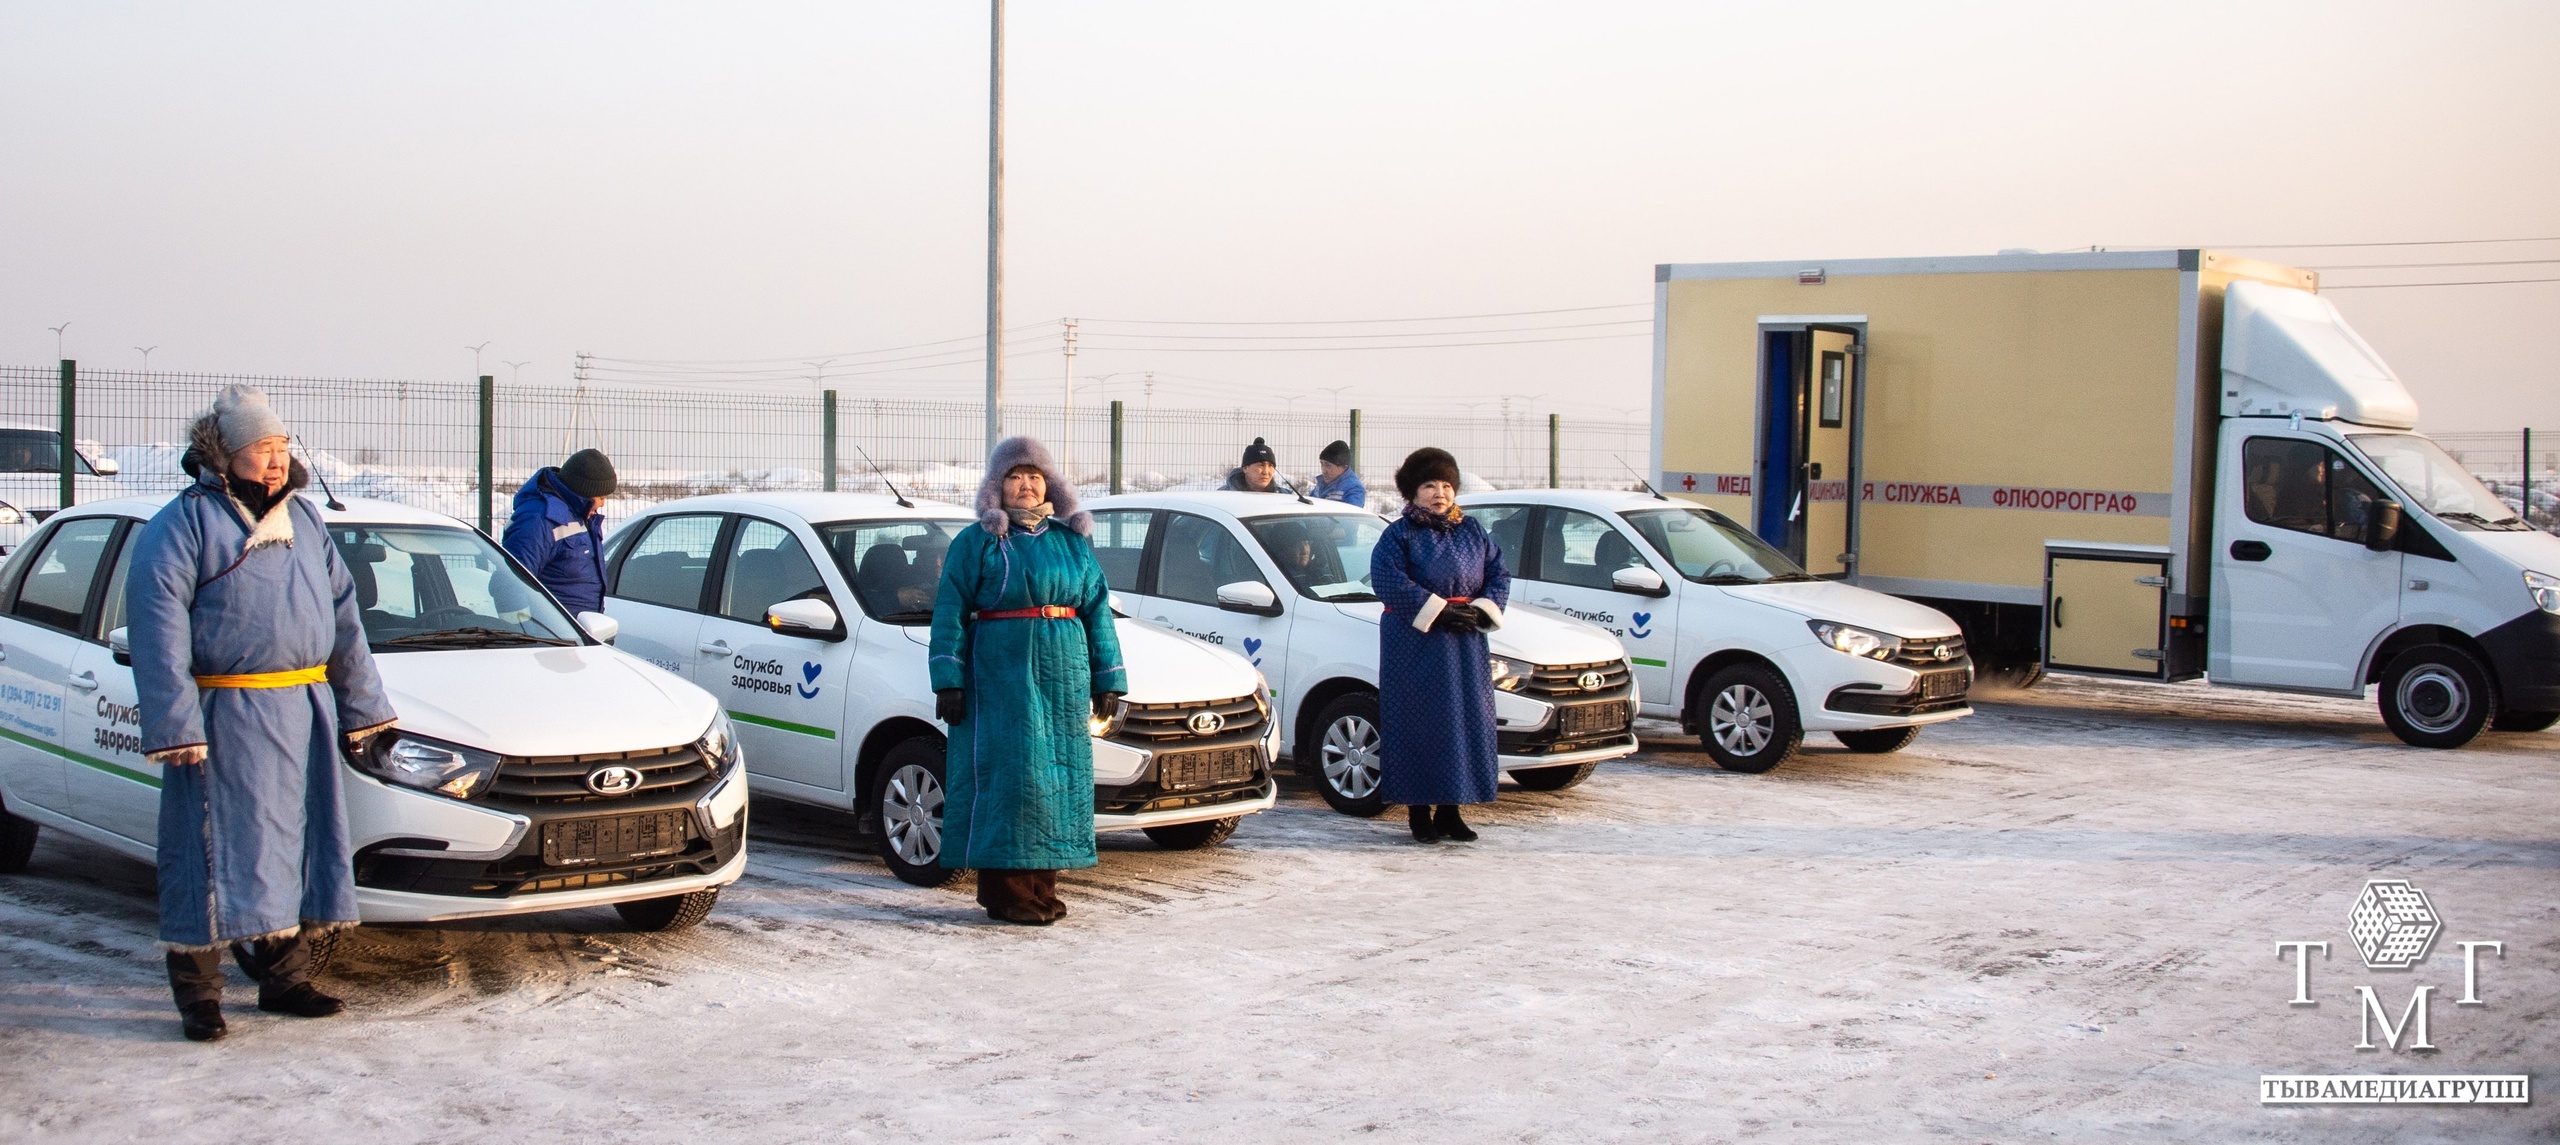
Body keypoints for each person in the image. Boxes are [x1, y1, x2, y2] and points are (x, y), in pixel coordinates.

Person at [127, 384, 399, 1042]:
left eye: (280, 447)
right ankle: (198, 992)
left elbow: (344, 619)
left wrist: (364, 707)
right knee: (210, 853)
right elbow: (156, 626)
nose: (275, 461)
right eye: (260, 448)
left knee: (297, 847)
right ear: (227, 455)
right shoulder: (185, 523)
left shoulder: (305, 522)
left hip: (301, 712)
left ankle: (284, 977)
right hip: (224, 717)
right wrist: (175, 722)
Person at [929, 436, 1127, 924]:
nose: (1025, 485)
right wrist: (948, 678)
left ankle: (1042, 887)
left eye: (1034, 476)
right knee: (1011, 779)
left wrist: (1109, 679)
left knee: (1056, 780)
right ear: (998, 485)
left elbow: (1097, 608)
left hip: (1063, 672)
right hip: (1000, 673)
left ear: (1050, 485)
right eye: (1015, 477)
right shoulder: (976, 542)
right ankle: (1008, 894)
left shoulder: (1070, 542)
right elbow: (950, 610)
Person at [1371, 447, 1510, 844]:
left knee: (1463, 723)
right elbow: (1387, 580)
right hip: (1414, 643)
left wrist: (1483, 609)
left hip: (1465, 643)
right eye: (1430, 485)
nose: (1440, 493)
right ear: (1412, 493)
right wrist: (1437, 611)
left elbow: (1498, 573)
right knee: (1419, 723)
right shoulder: (1398, 535)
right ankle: (1419, 812)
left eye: (1447, 485)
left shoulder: (1473, 530)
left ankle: (1452, 811)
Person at [502, 448, 616, 615]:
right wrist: (527, 631)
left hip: (580, 632)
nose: (602, 504)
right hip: (553, 635)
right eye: (600, 497)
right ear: (584, 491)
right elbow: (510, 583)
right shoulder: (540, 518)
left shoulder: (581, 516)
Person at [1223, 438, 1296, 494]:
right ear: (1245, 468)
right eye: (1261, 465)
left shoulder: (1284, 496)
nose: (1266, 472)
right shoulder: (1225, 495)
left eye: (1270, 466)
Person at [1310, 439, 1366, 507]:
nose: (1324, 470)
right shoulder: (1321, 484)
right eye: (1322, 464)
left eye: (1328, 465)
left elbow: (1351, 515)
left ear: (1344, 466)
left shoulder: (1353, 488)